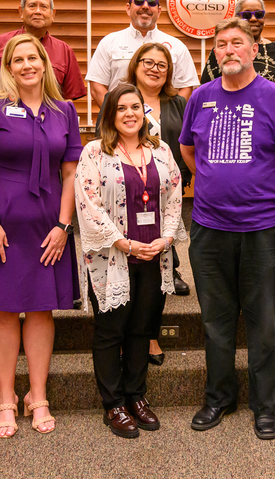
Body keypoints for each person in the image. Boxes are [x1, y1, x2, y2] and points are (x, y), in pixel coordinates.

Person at [180, 18, 275, 441]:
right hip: (209, 230)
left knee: (263, 323)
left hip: (263, 230)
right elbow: (188, 150)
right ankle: (218, 397)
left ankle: (264, 405)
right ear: (214, 53)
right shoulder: (201, 97)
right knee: (215, 321)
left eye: (238, 43)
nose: (228, 49)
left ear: (255, 50)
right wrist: (215, 184)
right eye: (221, 44)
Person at [0, 34, 83, 438]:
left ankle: (39, 395)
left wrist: (64, 227)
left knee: (42, 308)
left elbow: (70, 173)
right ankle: (7, 398)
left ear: (46, 64)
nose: (28, 65)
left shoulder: (63, 110)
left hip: (48, 223)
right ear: (7, 67)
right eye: (19, 59)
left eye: (34, 58)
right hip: (3, 221)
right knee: (5, 309)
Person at [75, 83, 185, 438]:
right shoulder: (94, 152)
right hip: (112, 257)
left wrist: (166, 238)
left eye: (135, 107)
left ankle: (136, 395)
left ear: (144, 112)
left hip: (154, 254)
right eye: (121, 108)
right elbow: (88, 203)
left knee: (142, 328)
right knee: (111, 331)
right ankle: (114, 404)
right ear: (109, 113)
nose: (130, 114)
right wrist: (123, 243)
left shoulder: (161, 150)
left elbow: (174, 197)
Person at [94, 42, 192, 366]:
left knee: (158, 269)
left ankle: (149, 334)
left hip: (164, 194)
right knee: (129, 266)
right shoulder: (120, 100)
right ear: (135, 66)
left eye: (162, 64)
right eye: (147, 62)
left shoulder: (179, 102)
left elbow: (189, 143)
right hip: (123, 198)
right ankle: (123, 335)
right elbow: (103, 144)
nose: (155, 68)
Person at [86, 0, 199, 107]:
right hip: (118, 122)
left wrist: (168, 116)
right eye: (139, 1)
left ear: (159, 10)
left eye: (152, 3)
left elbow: (186, 88)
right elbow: (97, 87)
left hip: (162, 124)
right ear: (128, 8)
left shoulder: (177, 46)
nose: (145, 6)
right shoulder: (109, 43)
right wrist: (116, 115)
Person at [0, 0, 85, 99]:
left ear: (53, 14)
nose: (38, 11)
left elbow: (67, 100)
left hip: (47, 115)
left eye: (44, 7)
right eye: (32, 6)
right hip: (1, 114)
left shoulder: (64, 51)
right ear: (21, 12)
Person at [201, 0, 275, 83]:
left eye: (259, 14)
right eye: (247, 15)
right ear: (237, 18)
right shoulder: (224, 51)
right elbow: (207, 86)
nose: (253, 19)